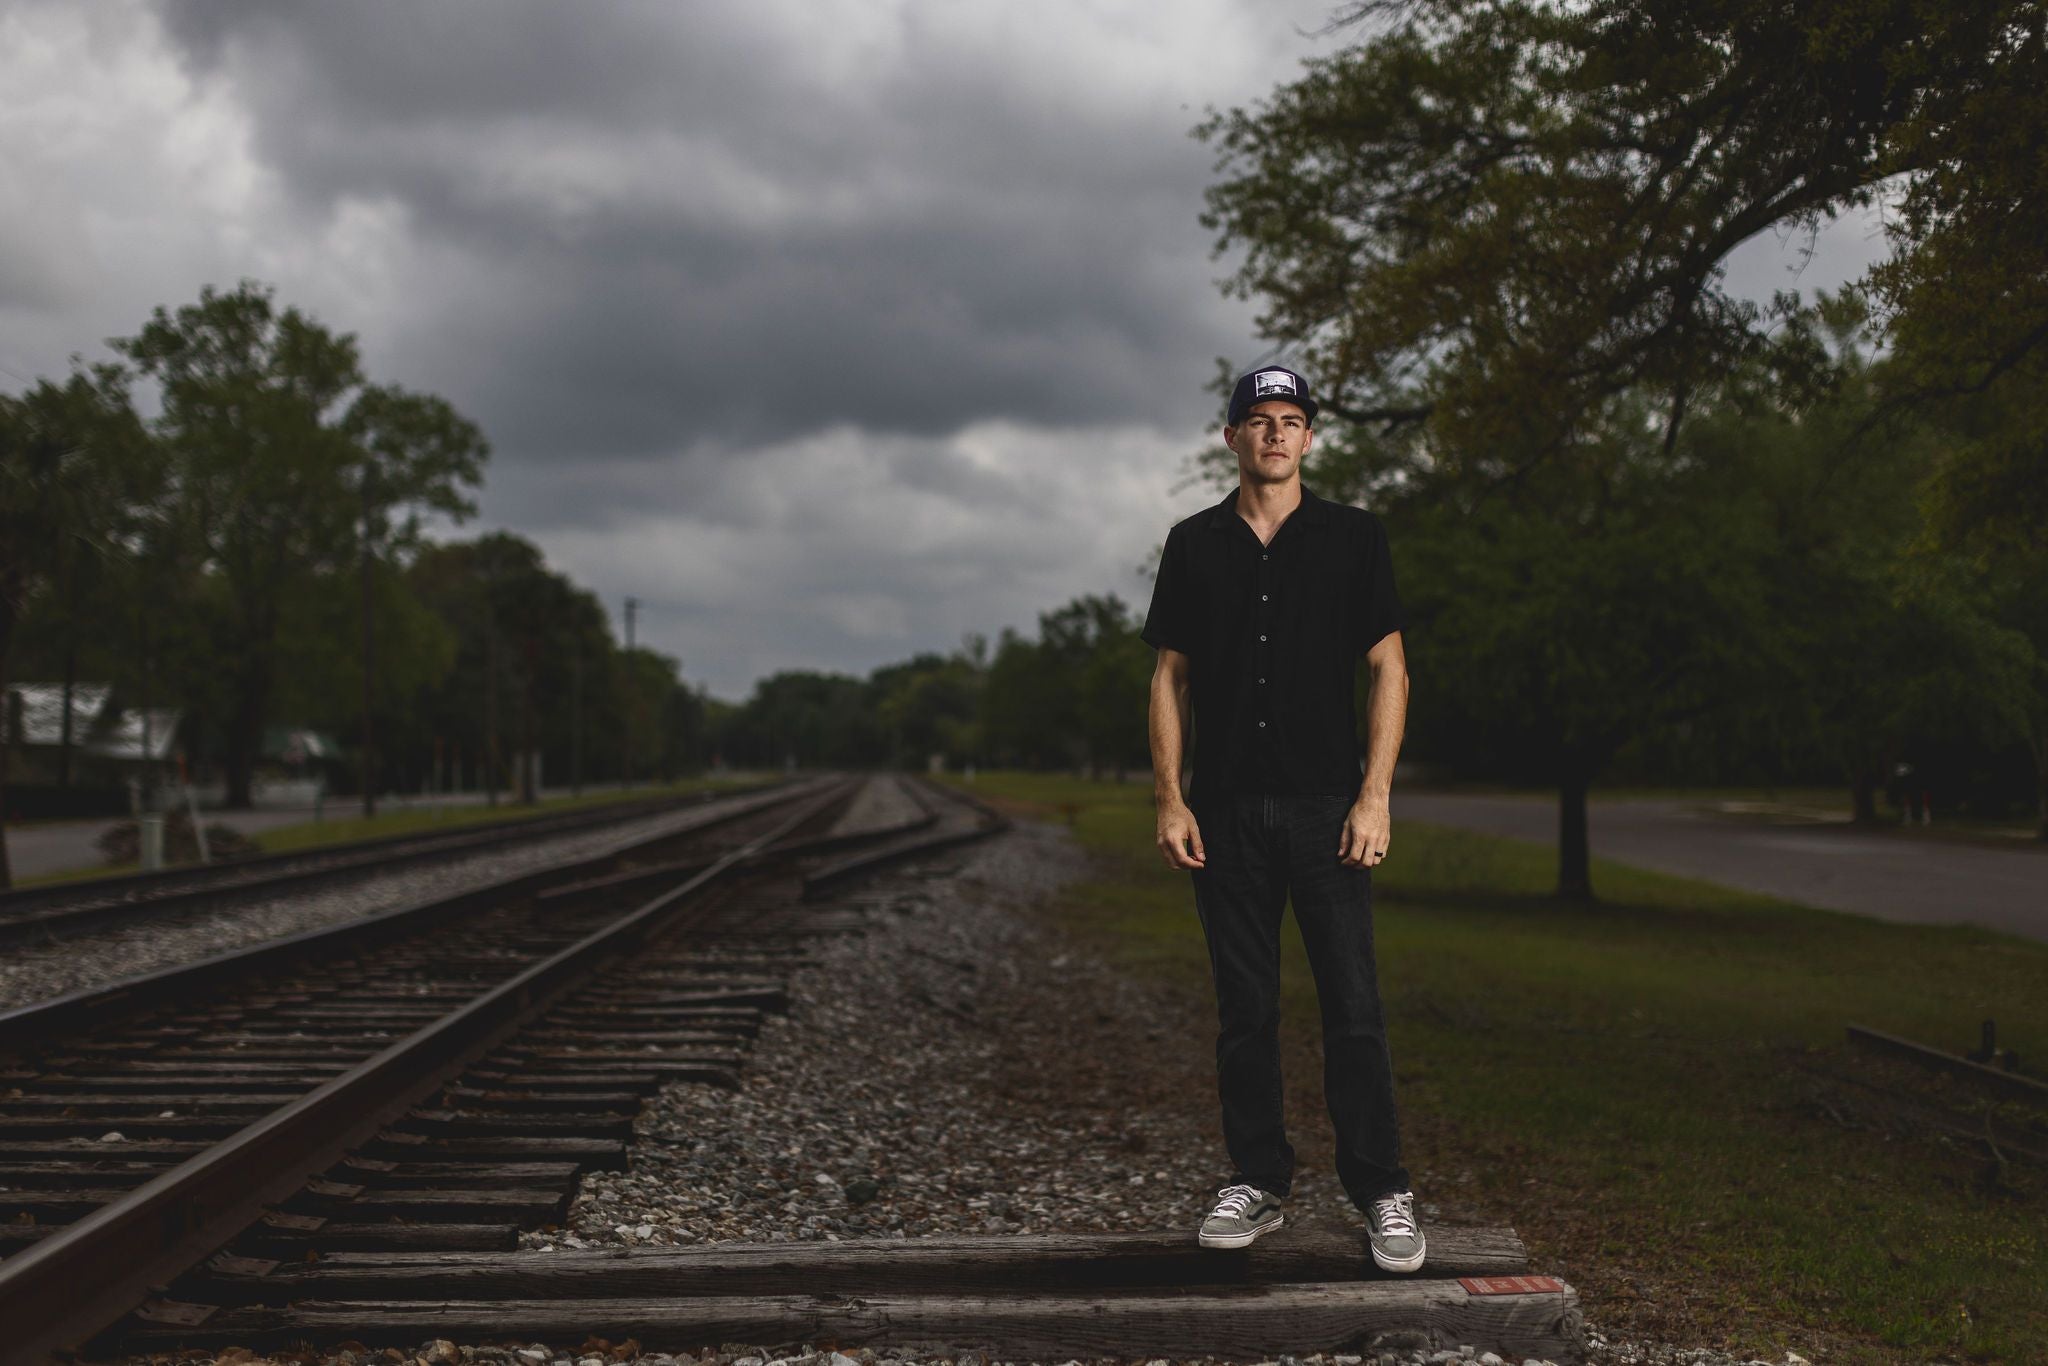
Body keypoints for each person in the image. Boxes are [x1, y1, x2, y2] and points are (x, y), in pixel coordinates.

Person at [1140, 364, 1423, 1274]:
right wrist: (1171, 797)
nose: (1274, 434)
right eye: (1257, 420)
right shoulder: (1192, 545)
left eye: (1291, 420)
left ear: (1310, 439)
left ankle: (1382, 1192)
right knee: (1245, 1012)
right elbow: (1168, 679)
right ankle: (1257, 1179)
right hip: (1224, 815)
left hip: (1327, 812)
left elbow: (1390, 670)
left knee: (1354, 1008)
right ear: (1231, 438)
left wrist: (1375, 794)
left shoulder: (1353, 539)